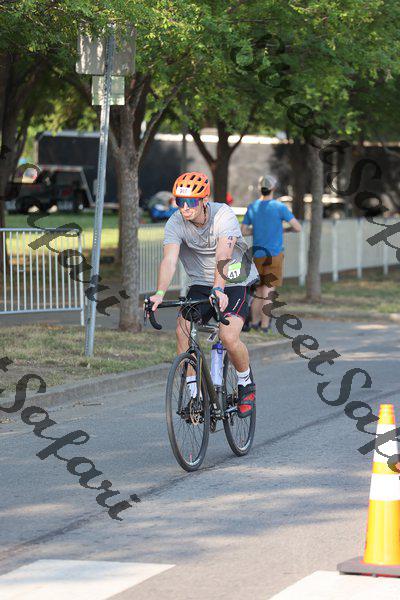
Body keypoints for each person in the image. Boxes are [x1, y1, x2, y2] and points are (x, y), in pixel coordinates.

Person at [148, 171, 259, 418]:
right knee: (182, 329)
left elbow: (223, 255)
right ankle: (195, 398)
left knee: (228, 336)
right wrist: (159, 293)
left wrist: (219, 288)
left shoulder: (223, 215)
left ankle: (245, 383)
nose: (185, 207)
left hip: (234, 279)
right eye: (180, 201)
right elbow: (169, 260)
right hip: (200, 282)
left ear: (204, 200)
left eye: (191, 202)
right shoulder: (175, 222)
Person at [241, 175, 302, 333]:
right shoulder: (279, 207)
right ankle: (264, 326)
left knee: (258, 290)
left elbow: (244, 231)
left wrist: (257, 230)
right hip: (274, 255)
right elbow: (297, 227)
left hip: (257, 255)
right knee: (268, 291)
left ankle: (254, 323)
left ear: (259, 188)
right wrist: (283, 229)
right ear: (273, 188)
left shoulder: (253, 207)